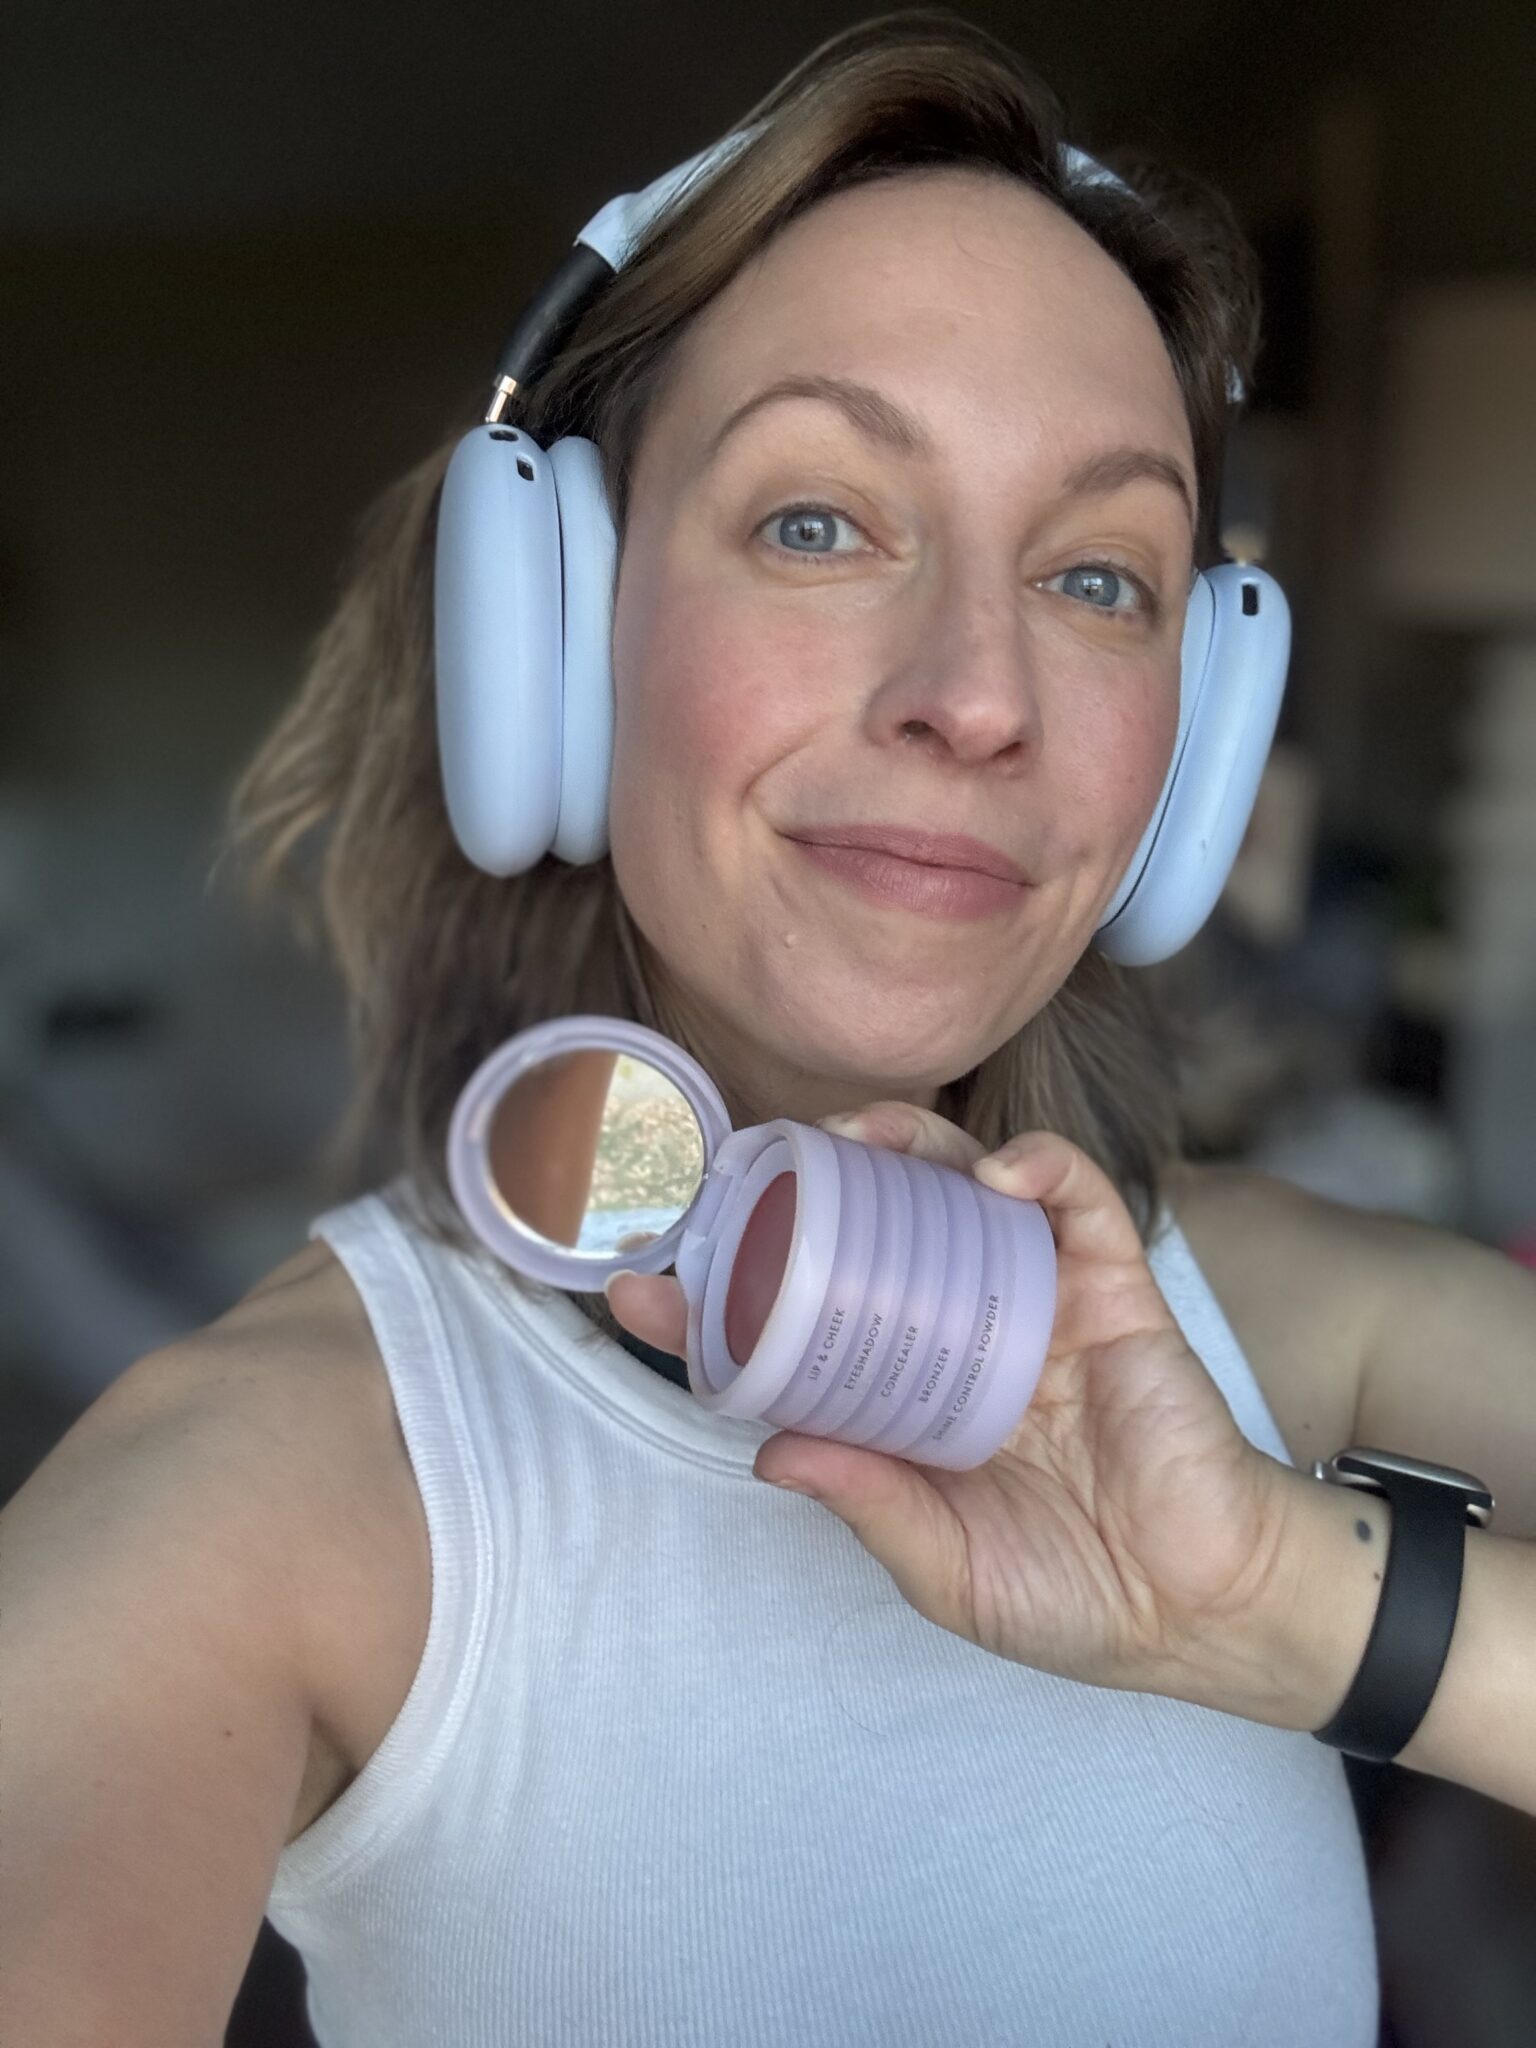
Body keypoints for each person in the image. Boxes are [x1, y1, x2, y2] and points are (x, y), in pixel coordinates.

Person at [3, 14, 1533, 2047]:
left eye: (1097, 573)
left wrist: (1283, 1601)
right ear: (553, 631)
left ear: (1199, 743)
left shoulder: (1288, 1323)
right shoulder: (256, 1492)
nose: (976, 692)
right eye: (820, 522)